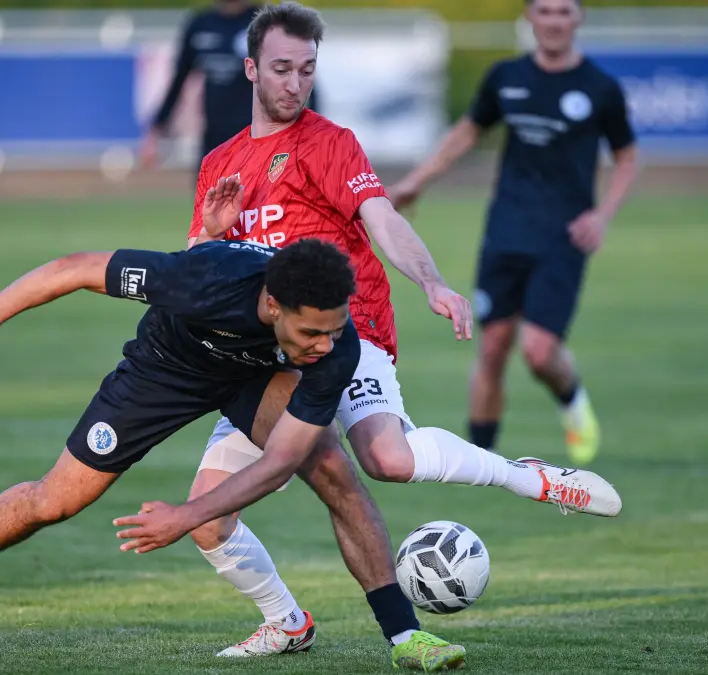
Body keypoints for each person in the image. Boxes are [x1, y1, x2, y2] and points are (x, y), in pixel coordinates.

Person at [181, 1, 622, 657]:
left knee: (386, 459)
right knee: (207, 519)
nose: (296, 84)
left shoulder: (329, 144)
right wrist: (210, 237)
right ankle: (286, 620)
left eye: (307, 69)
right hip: (271, 357)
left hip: (349, 331)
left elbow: (382, 218)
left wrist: (432, 281)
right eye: (281, 69)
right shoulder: (221, 163)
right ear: (250, 69)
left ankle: (522, 475)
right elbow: (194, 270)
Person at [0, 239, 467, 672]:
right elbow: (75, 268)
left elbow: (281, 461)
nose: (326, 345)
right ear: (271, 305)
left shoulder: (335, 348)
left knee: (330, 465)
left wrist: (186, 517)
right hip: (166, 369)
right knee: (54, 501)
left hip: (256, 376)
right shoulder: (205, 278)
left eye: (334, 331)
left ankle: (404, 637)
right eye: (311, 333)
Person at [389, 0, 641, 466]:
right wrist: (414, 183)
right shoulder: (506, 77)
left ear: (579, 18)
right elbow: (465, 133)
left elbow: (627, 157)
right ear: (530, 17)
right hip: (506, 230)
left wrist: (601, 215)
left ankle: (572, 398)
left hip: (563, 238)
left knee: (540, 353)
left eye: (563, 11)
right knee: (492, 348)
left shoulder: (600, 88)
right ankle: (482, 462)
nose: (554, 21)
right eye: (544, 11)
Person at [139, 0, 317, 170]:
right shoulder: (200, 24)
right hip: (214, 140)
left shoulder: (268, 24)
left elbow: (301, 81)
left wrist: (308, 132)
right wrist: (156, 130)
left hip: (258, 139)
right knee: (208, 191)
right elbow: (179, 80)